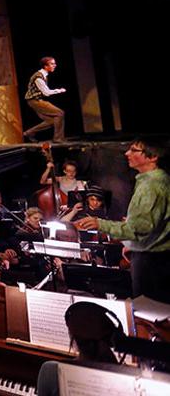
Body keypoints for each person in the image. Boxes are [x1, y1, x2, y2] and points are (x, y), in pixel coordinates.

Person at [76, 138, 170, 301]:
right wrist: (132, 242)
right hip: (153, 257)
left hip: (152, 263)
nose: (127, 153)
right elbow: (154, 223)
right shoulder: (152, 180)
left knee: (149, 314)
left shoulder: (151, 185)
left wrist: (99, 223)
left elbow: (140, 228)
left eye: (134, 150)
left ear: (153, 156)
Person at [23, 57, 67, 143]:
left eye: (54, 63)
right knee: (60, 113)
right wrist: (59, 90)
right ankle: (58, 138)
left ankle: (29, 133)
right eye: (52, 64)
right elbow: (46, 93)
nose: (55, 65)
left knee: (51, 121)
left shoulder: (43, 75)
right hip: (35, 101)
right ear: (45, 66)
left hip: (35, 100)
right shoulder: (38, 77)